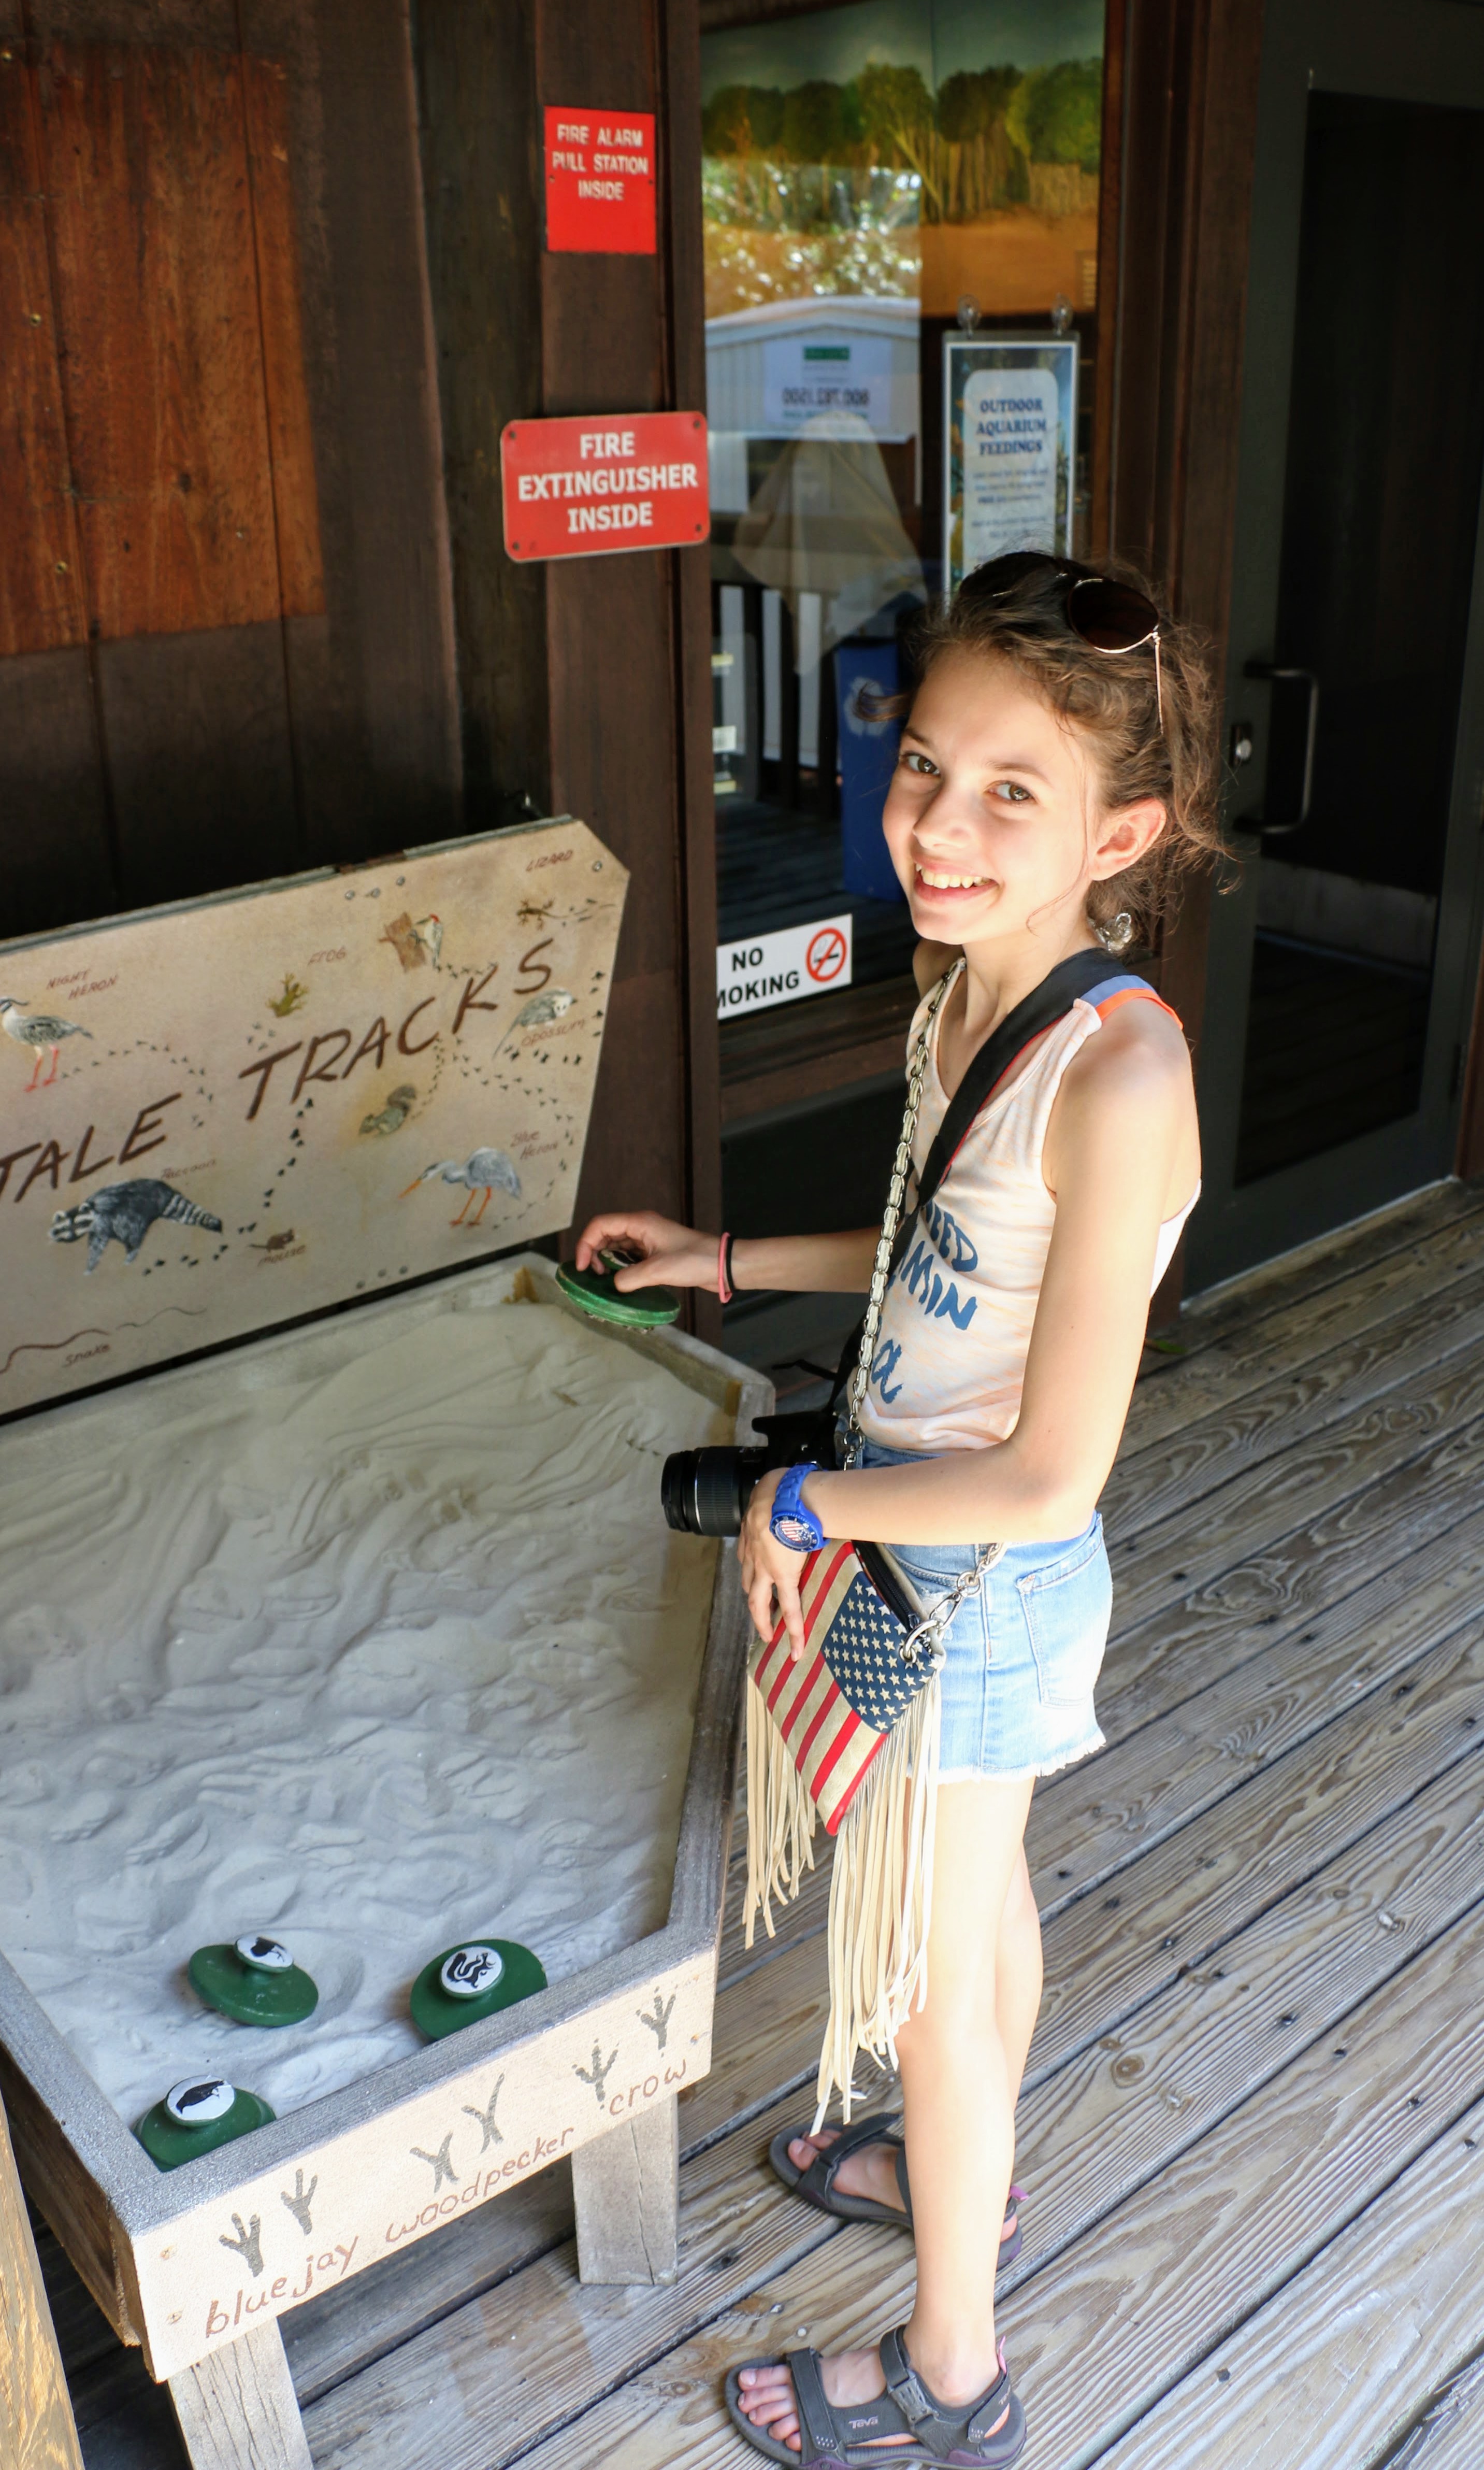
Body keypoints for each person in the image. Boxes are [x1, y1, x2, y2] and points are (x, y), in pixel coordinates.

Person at [573, 553, 1220, 2466]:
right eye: (920, 763)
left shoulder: (1122, 1074)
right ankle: (968, 2166)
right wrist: (723, 1253)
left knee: (934, 1977)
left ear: (1126, 829)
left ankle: (951, 2376)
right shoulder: (964, 998)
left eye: (1009, 792)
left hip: (980, 1580)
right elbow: (938, 1247)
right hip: (910, 1539)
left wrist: (808, 1506)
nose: (934, 823)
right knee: (972, 1909)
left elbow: (1051, 1470)